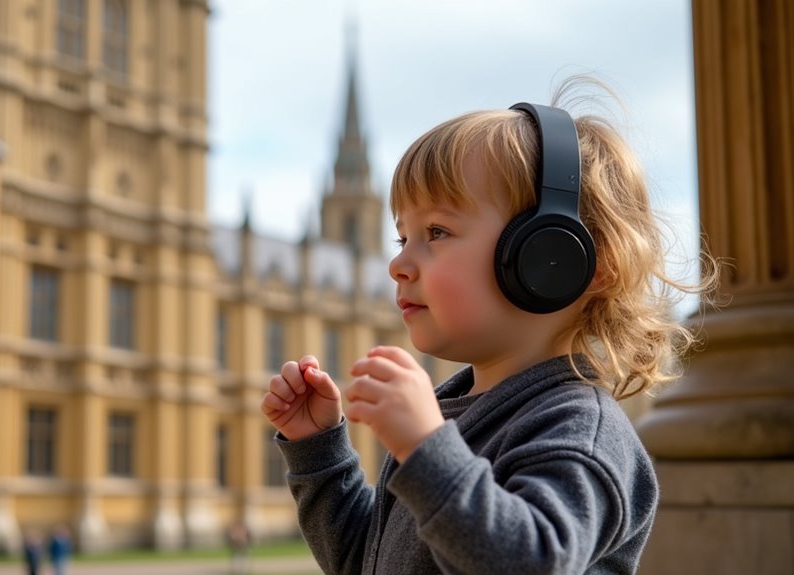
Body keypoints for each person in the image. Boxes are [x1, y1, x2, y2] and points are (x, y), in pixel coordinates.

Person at [261, 77, 719, 574]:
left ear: (553, 258)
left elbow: (529, 562)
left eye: (436, 232)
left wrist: (426, 449)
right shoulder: (444, 414)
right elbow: (364, 562)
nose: (397, 265)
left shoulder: (581, 430)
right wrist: (319, 451)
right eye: (401, 239)